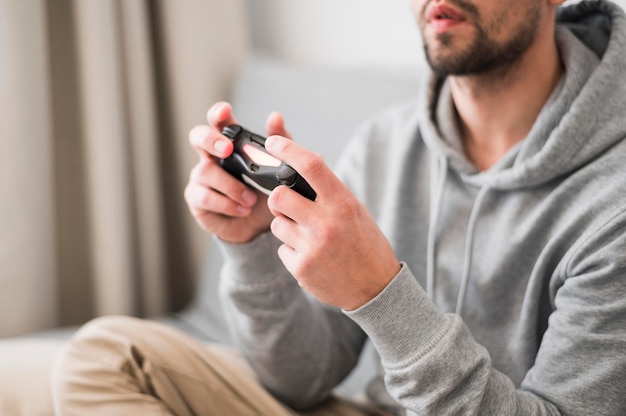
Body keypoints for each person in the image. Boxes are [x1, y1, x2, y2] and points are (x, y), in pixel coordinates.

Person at [50, 0, 626, 415]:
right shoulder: (386, 145)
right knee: (106, 356)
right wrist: (253, 247)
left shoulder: (612, 202)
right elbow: (302, 380)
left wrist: (379, 293)